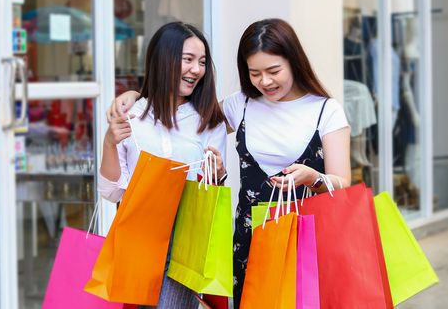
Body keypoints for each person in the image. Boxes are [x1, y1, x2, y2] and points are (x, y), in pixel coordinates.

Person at [109, 18, 351, 308]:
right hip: (250, 239)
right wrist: (136, 97)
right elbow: (183, 121)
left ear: (294, 62)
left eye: (274, 71)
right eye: (255, 73)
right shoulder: (242, 105)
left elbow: (342, 183)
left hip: (305, 239)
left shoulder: (325, 110)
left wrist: (314, 177)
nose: (265, 82)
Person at [98, 21, 228, 309]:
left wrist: (217, 174)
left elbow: (210, 193)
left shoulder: (209, 120)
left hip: (184, 241)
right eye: (188, 60)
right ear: (164, 60)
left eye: (202, 62)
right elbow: (111, 192)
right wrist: (109, 144)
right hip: (137, 239)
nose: (196, 69)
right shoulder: (132, 114)